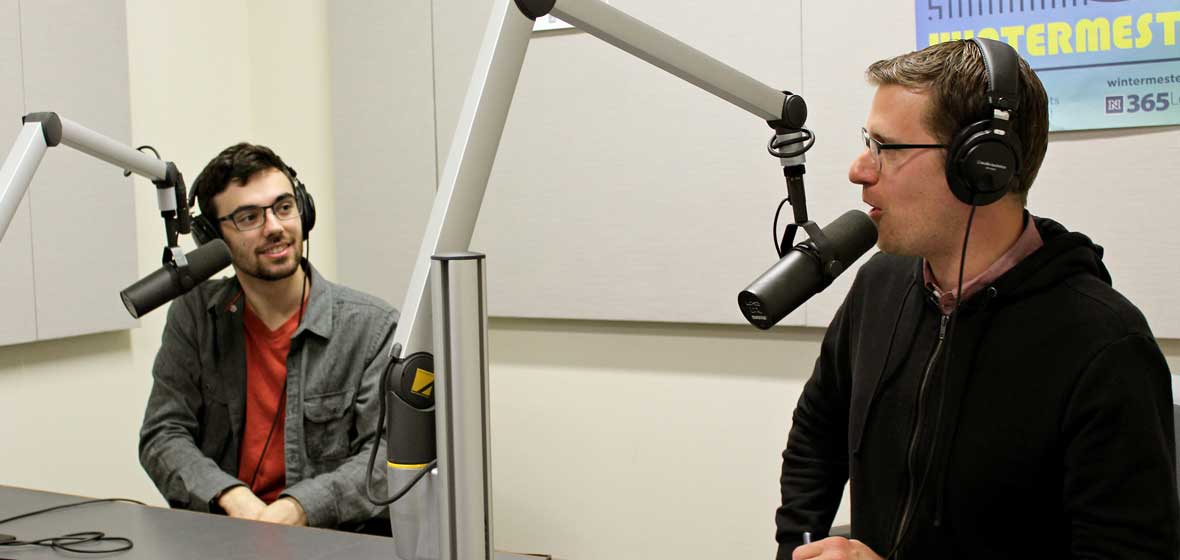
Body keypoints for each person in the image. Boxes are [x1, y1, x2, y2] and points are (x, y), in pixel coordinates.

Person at [776, 39, 1179, 559]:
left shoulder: (1104, 345)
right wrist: (803, 548)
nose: (859, 169)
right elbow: (817, 431)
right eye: (866, 142)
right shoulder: (880, 283)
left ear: (981, 166)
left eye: (886, 148)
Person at [139, 143, 397, 533]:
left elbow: (386, 458)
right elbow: (163, 433)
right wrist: (231, 496)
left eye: (283, 207)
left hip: (329, 540)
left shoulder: (371, 327)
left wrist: (299, 506)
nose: (275, 227)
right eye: (248, 217)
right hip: (227, 534)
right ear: (213, 240)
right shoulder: (194, 316)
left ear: (303, 210)